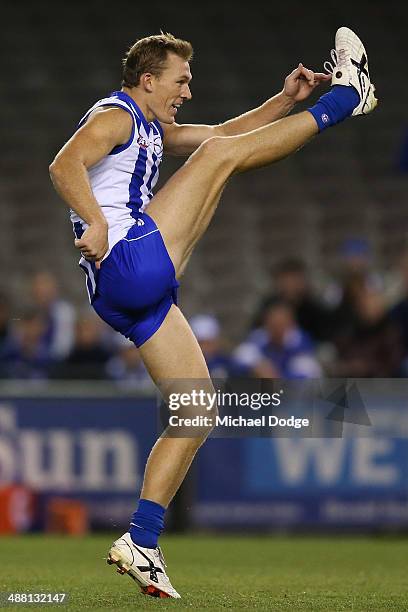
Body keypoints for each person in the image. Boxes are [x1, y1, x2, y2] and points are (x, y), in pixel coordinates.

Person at [49, 27, 377, 598]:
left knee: (196, 411)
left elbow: (225, 133)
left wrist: (282, 101)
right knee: (219, 159)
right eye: (181, 80)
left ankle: (142, 541)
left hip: (126, 291)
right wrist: (96, 222)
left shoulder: (150, 127)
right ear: (147, 80)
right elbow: (64, 164)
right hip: (125, 261)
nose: (188, 90)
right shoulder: (116, 113)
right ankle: (346, 98)